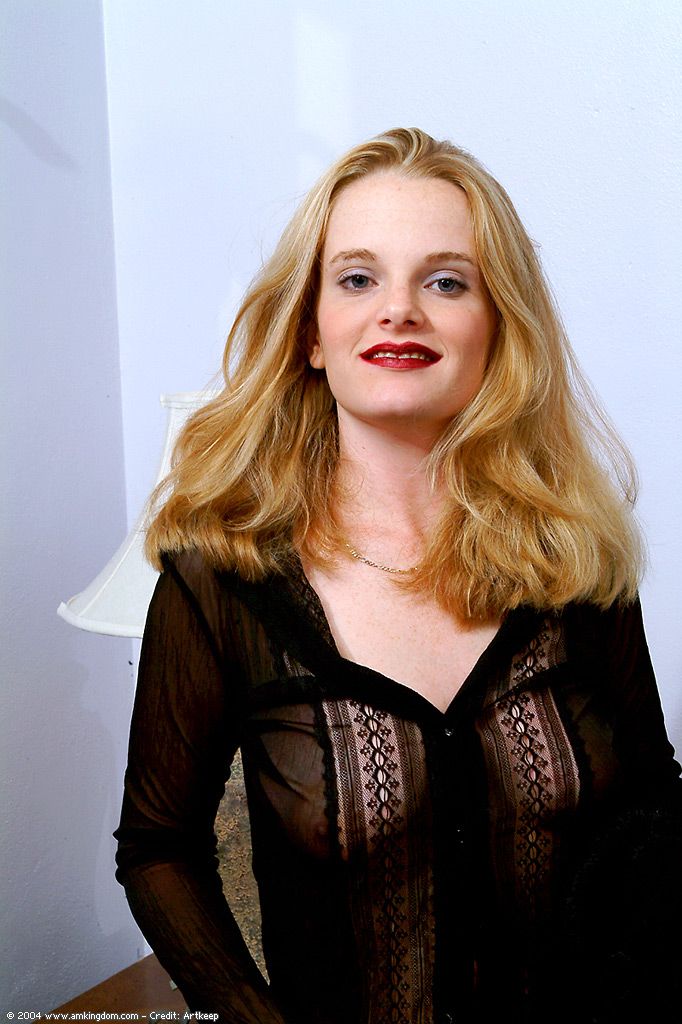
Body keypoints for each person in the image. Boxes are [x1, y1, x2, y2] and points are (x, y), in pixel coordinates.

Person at [114, 128, 681, 1024]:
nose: (399, 310)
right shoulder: (220, 579)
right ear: (311, 332)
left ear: (497, 328)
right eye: (357, 278)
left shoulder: (574, 558)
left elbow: (653, 811)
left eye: (446, 282)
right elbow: (158, 850)